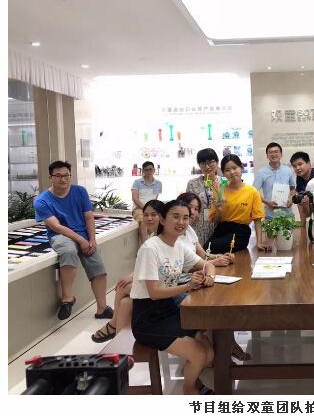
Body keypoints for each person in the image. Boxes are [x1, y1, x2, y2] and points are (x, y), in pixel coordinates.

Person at [130, 199, 216, 395]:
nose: (181, 222)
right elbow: (154, 293)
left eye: (185, 218)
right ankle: (190, 388)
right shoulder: (151, 249)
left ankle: (194, 381)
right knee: (199, 354)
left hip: (171, 310)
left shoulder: (178, 246)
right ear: (162, 219)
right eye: (175, 217)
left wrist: (209, 277)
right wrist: (188, 285)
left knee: (209, 354)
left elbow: (207, 265)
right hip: (148, 319)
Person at [176, 192, 252, 361]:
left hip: (197, 275)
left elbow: (203, 255)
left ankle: (225, 345)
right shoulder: (173, 235)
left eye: (196, 209)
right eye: (190, 207)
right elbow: (183, 267)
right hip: (185, 280)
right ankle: (223, 348)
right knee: (217, 299)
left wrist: (219, 257)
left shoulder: (189, 231)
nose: (193, 212)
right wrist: (212, 263)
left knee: (225, 294)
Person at [34, 160, 113, 320]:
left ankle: (102, 309)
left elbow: (89, 217)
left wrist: (92, 240)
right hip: (60, 235)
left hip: (83, 234)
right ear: (50, 177)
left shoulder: (80, 191)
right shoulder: (41, 201)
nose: (63, 179)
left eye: (66, 175)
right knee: (69, 250)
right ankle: (67, 298)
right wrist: (81, 240)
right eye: (58, 176)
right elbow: (57, 227)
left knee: (97, 267)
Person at [91, 199, 164, 343]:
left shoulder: (166, 239)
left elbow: (160, 268)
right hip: (153, 281)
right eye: (146, 215)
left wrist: (133, 277)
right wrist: (132, 276)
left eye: (153, 215)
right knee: (125, 303)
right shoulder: (153, 238)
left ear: (162, 217)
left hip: (161, 287)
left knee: (122, 287)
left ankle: (113, 325)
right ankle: (119, 345)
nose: (149, 218)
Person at [208, 154, 271, 253]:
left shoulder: (252, 192)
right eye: (227, 170)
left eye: (234, 168)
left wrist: (259, 242)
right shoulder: (220, 191)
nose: (232, 172)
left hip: (241, 232)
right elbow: (216, 221)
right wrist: (219, 211)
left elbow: (257, 219)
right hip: (221, 229)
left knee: (212, 248)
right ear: (223, 173)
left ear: (241, 168)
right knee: (205, 248)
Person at [186, 148, 222, 246]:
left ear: (217, 162)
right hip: (197, 226)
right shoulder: (192, 184)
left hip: (218, 226)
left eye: (210, 162)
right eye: (203, 163)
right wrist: (191, 216)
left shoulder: (224, 183)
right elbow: (186, 205)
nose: (207, 166)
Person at [253, 142, 296, 219]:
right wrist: (267, 202)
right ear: (267, 156)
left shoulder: (288, 170)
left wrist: (291, 198)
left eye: (276, 152)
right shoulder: (261, 172)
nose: (273, 154)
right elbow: (253, 192)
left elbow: (293, 188)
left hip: (287, 215)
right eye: (270, 152)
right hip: (270, 215)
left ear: (281, 154)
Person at [290, 151, 314, 226]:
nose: (297, 168)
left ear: (309, 163)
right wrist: (302, 225)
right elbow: (300, 201)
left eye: (300, 164)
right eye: (294, 166)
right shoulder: (299, 177)